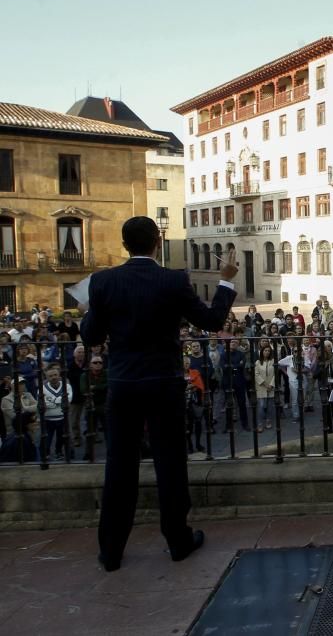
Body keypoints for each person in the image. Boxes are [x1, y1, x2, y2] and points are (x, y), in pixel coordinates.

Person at [79, 216, 238, 572]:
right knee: (170, 464)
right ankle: (178, 541)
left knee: (119, 467)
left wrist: (87, 314)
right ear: (157, 242)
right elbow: (211, 322)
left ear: (125, 245)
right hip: (164, 383)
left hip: (122, 385)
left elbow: (90, 337)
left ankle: (111, 550)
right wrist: (226, 281)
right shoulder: (172, 280)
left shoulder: (103, 282)